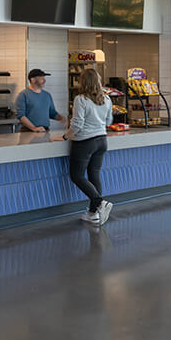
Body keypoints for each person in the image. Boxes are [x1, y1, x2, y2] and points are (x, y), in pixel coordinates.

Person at [62, 67, 113, 226]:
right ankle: (93, 213)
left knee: (77, 176)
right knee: (94, 174)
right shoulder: (106, 99)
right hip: (102, 140)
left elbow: (77, 124)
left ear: (83, 82)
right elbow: (109, 121)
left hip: (85, 142)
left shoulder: (80, 99)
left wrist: (66, 136)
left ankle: (99, 202)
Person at [15, 69, 67, 133]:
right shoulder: (23, 95)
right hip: (28, 131)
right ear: (33, 80)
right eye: (41, 78)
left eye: (44, 78)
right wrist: (34, 128)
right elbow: (21, 116)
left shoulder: (47, 95)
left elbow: (52, 113)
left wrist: (62, 118)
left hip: (45, 130)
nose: (44, 81)